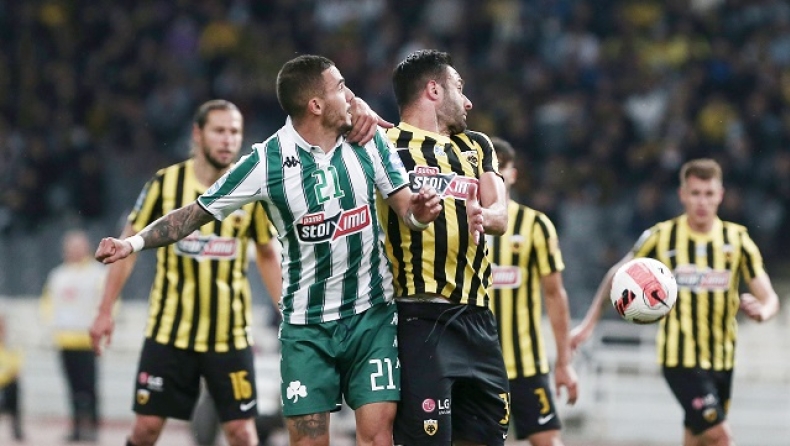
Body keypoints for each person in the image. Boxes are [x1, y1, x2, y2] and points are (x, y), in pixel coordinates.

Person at [94, 55, 448, 446]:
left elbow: (406, 208)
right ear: (315, 105)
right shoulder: (266, 162)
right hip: (307, 328)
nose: (350, 95)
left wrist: (419, 214)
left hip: (371, 317)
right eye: (340, 87)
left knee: (378, 437)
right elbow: (194, 213)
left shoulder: (366, 137)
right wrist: (132, 243)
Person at [570, 158, 780, 446]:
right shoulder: (661, 236)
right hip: (680, 359)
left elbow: (769, 297)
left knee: (697, 438)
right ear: (682, 195)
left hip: (722, 358)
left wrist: (763, 311)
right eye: (695, 193)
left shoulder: (737, 240)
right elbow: (617, 275)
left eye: (708, 194)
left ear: (720, 195)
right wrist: (588, 324)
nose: (702, 201)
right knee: (721, 436)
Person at [380, 49, 510, 446]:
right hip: (420, 318)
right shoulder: (384, 147)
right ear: (433, 90)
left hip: (479, 320)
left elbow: (501, 213)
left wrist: (485, 216)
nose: (468, 102)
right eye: (459, 87)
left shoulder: (477, 146)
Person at [488, 137, 578, 446]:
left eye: (501, 167)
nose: (495, 174)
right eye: (487, 167)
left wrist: (564, 362)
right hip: (474, 362)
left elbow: (555, 295)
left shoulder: (535, 225)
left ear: (513, 174)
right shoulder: (459, 222)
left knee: (548, 440)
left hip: (525, 363)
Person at [41, 230, 107, 442]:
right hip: (65, 339)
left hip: (87, 340)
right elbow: (48, 303)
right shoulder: (58, 275)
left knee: (89, 386)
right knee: (72, 387)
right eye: (71, 247)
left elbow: (107, 301)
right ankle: (77, 426)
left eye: (78, 247)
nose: (74, 251)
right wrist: (52, 325)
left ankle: (93, 426)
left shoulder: (97, 273)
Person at [0, 315, 23, 441]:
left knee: (14, 387)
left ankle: (16, 428)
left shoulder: (11, 346)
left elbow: (15, 369)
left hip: (6, 382)